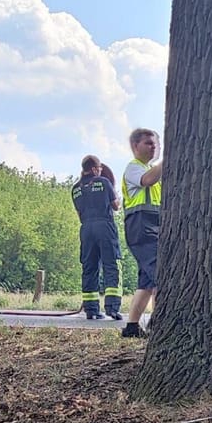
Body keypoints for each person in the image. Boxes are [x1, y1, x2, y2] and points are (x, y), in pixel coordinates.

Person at [119, 128, 164, 339]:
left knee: (146, 282)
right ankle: (160, 325)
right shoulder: (134, 168)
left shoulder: (149, 169)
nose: (153, 147)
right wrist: (168, 160)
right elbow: (148, 180)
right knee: (160, 276)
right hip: (141, 225)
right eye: (148, 143)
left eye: (155, 143)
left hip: (151, 226)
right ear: (135, 146)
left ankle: (131, 327)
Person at [71, 155, 122, 320]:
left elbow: (79, 215)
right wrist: (118, 196)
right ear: (94, 169)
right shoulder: (104, 182)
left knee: (89, 267)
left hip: (86, 228)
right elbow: (116, 206)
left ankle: (91, 310)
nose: (100, 171)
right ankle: (112, 308)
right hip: (104, 226)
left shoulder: (75, 189)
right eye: (99, 168)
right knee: (112, 264)